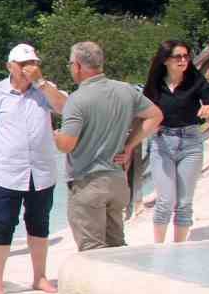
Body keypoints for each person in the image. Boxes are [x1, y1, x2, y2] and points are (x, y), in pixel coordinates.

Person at [0, 44, 69, 294]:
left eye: (33, 63)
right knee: (3, 225)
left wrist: (42, 83)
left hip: (41, 171)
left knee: (39, 224)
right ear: (10, 66)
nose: (29, 68)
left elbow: (65, 108)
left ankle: (39, 277)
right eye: (23, 64)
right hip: (6, 171)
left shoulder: (44, 91)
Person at [56, 41, 164, 252]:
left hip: (88, 182)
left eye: (70, 64)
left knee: (92, 250)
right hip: (117, 182)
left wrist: (55, 137)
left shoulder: (77, 100)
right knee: (117, 247)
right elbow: (155, 116)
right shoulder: (125, 90)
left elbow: (67, 145)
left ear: (77, 65)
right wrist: (129, 146)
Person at [143, 39, 209, 243]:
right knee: (165, 200)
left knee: (184, 202)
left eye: (186, 56)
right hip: (162, 143)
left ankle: (180, 249)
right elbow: (143, 109)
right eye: (178, 57)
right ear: (166, 60)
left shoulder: (196, 80)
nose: (183, 60)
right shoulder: (155, 84)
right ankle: (158, 249)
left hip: (191, 143)